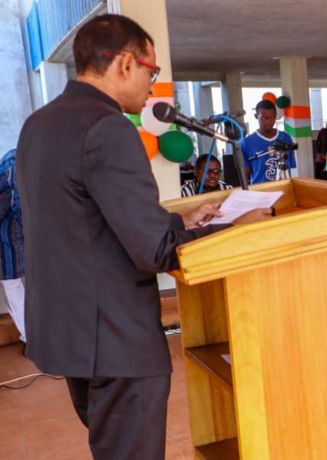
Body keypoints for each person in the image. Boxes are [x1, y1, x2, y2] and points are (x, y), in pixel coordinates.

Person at [15, 15, 271, 459]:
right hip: (114, 338)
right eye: (152, 72)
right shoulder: (108, 128)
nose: (154, 87)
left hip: (71, 331)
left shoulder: (39, 124)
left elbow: (88, 222)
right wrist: (235, 229)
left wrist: (183, 221)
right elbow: (154, 252)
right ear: (125, 64)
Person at [0, 149, 25, 343]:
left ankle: (33, 339)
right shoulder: (15, 162)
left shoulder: (16, 159)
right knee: (14, 288)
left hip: (14, 234)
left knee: (14, 288)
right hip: (8, 236)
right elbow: (20, 210)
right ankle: (32, 340)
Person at [242, 99, 297, 185]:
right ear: (256, 116)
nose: (269, 121)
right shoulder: (247, 142)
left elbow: (291, 167)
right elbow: (246, 172)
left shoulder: (286, 137)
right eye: (264, 118)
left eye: (273, 117)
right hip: (259, 191)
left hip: (284, 187)